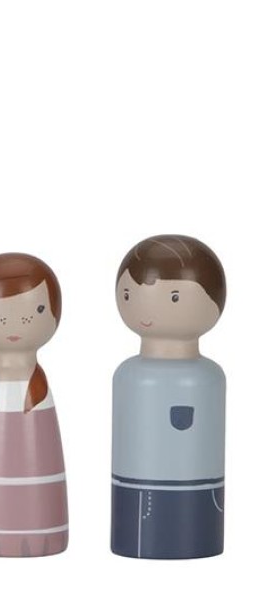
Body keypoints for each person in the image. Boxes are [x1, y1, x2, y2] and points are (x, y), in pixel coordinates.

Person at [111, 234, 226, 559]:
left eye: (175, 297)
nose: (146, 309)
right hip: (134, 487)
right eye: (130, 294)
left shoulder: (207, 377)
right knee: (137, 530)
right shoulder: (129, 375)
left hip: (198, 492)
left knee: (189, 526)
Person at [0, 253, 68, 557]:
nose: (12, 322)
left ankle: (40, 532)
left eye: (37, 309)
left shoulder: (37, 384)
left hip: (44, 522)